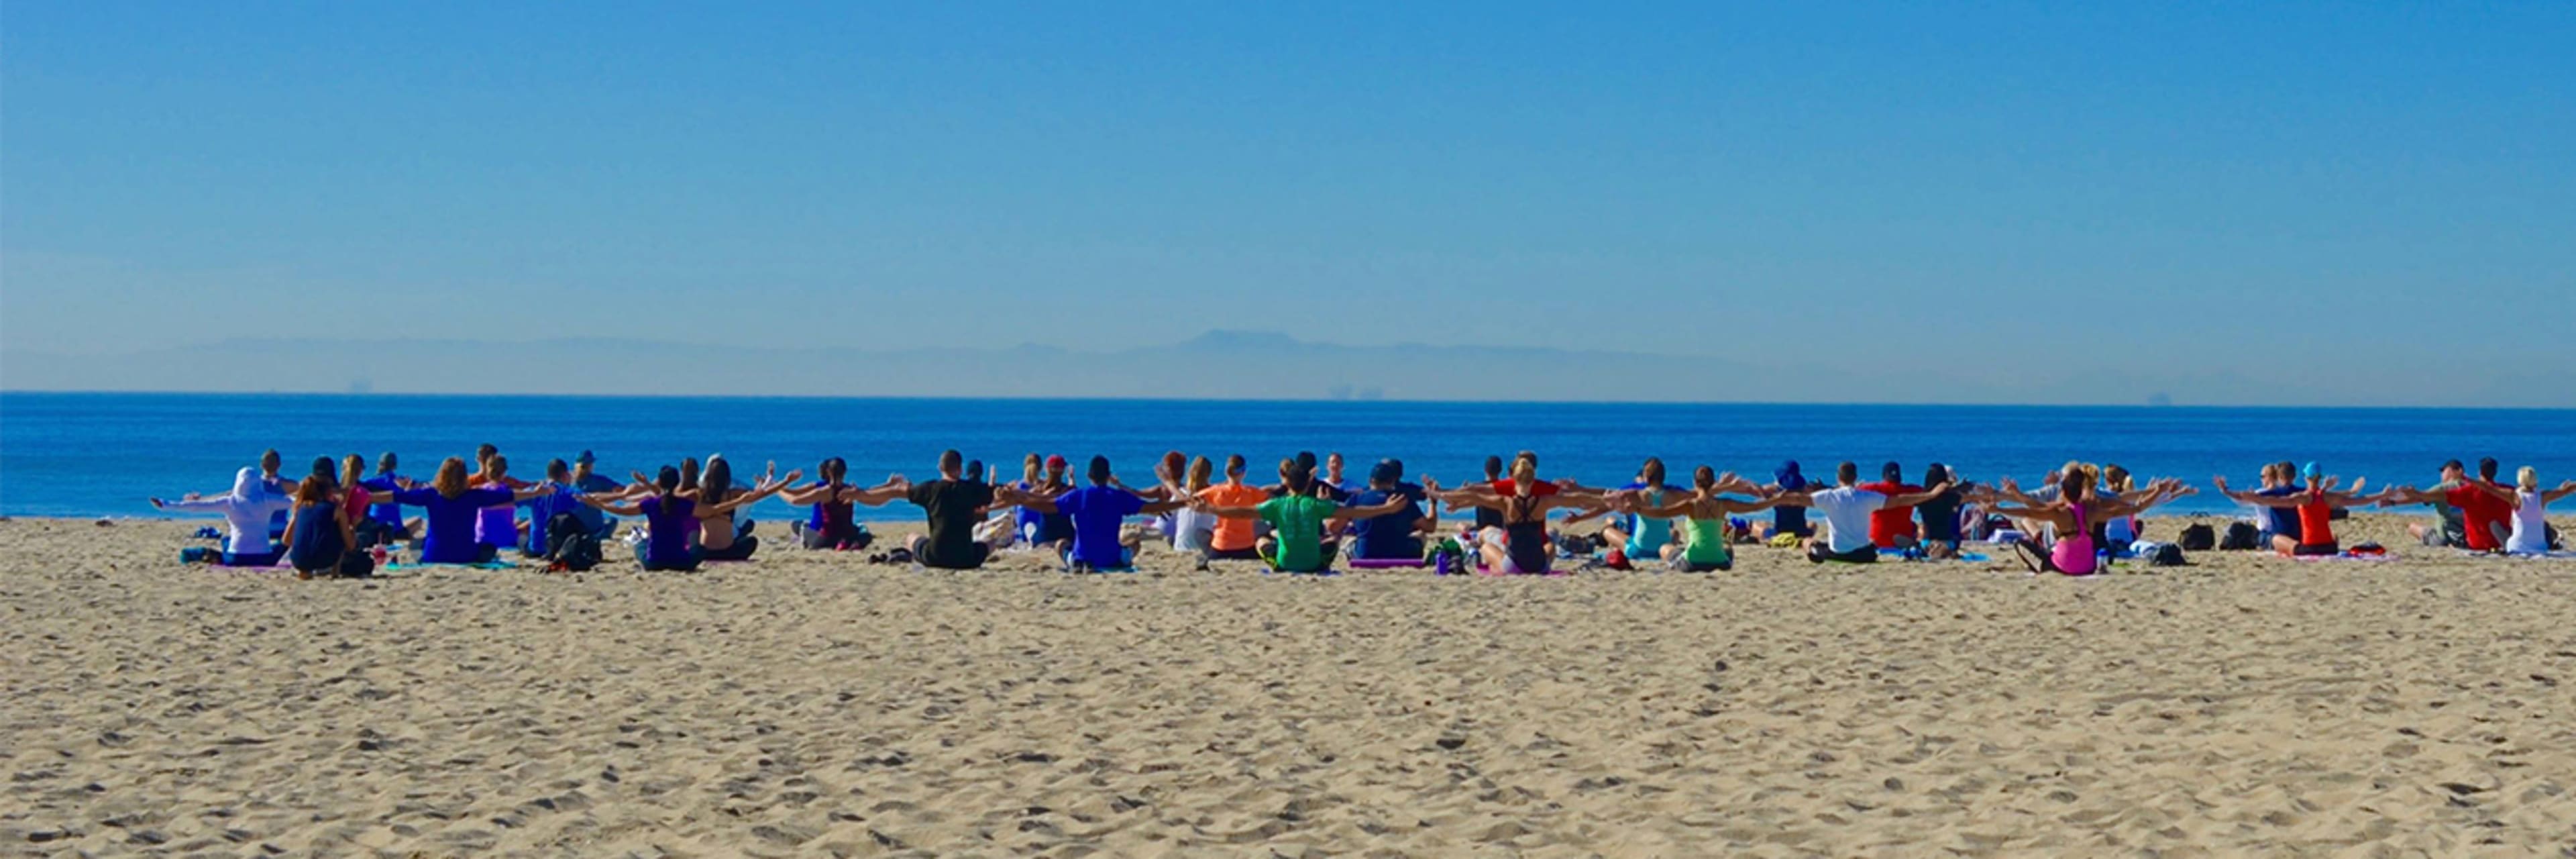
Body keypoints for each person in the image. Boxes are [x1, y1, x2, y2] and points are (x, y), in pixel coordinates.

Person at [1194, 460, 1413, 573]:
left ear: (1287, 484)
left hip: (1284, 564)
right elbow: (1352, 512)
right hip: (1313, 564)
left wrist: (1211, 510)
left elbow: (1242, 512)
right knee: (1333, 541)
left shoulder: (1277, 504)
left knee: (1262, 540)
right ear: (1308, 484)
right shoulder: (1316, 504)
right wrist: (1386, 509)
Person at [1002, 456, 1189, 572]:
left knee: (1061, 544)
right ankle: (1119, 562)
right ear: (1108, 476)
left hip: (1082, 557)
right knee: (1134, 544)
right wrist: (1184, 503)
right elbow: (1150, 507)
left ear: (1090, 476)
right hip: (1112, 559)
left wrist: (1019, 500)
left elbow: (1048, 505)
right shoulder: (1118, 497)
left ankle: (1075, 564)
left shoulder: (1078, 495)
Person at [1988, 472, 2192, 575]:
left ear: (2064, 492)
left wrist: (2000, 509)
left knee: (2021, 545)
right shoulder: (2093, 512)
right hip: (2088, 566)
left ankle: (2044, 568)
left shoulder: (2059, 513)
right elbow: (2135, 508)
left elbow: (2028, 511)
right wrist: (2157, 492)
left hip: (2063, 567)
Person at [1429, 457, 1605, 574]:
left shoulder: (1506, 502)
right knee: (1550, 546)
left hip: (1514, 566)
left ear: (1513, 478)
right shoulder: (1544, 502)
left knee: (1486, 548)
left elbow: (1475, 496)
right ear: (1532, 477)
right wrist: (1606, 501)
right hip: (1539, 567)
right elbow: (1575, 499)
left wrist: (1443, 496)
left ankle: (1492, 565)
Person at [1609, 467, 1792, 572]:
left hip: (1692, 563)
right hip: (1720, 563)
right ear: (1713, 484)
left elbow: (1662, 513)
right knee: (1727, 547)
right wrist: (1778, 499)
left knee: (1665, 548)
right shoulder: (1724, 504)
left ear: (1696, 483)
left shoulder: (1690, 505)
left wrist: (1638, 509)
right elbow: (1755, 507)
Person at [1772, 462, 1953, 564]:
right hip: (1864, 555)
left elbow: (1798, 499)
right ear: (1856, 477)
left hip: (1839, 554)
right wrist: (1931, 494)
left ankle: (1813, 553)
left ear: (1838, 478)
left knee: (1807, 541)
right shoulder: (1867, 496)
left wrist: (1777, 499)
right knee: (1871, 543)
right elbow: (1899, 500)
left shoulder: (1828, 497)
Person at [384, 458, 553, 564]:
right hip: (466, 555)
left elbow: (397, 496)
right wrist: (535, 493)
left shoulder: (431, 495)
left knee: (416, 544)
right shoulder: (473, 496)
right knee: (488, 548)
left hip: (434, 555)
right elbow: (508, 495)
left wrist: (369, 497)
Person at [2214, 464, 2388, 556]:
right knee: (2331, 535)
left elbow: (2271, 500)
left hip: (2309, 549)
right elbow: (2358, 501)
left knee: (2277, 538)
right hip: (2330, 548)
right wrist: (2381, 494)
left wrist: (2245, 495)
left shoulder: (2302, 498)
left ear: (2306, 477)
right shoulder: (2327, 497)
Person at [155, 467, 297, 566]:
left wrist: (166, 504)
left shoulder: (229, 502)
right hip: (265, 558)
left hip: (235, 558)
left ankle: (201, 555)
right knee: (283, 544)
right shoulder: (268, 500)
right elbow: (297, 503)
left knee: (226, 541)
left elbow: (197, 507)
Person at [893, 450, 1008, 570]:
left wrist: (877, 494)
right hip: (966, 559)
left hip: (934, 557)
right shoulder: (971, 490)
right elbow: (996, 494)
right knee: (991, 543)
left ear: (940, 467)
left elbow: (903, 492)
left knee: (911, 537)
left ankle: (913, 556)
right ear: (960, 469)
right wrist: (992, 483)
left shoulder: (931, 489)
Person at [782, 458, 905, 550]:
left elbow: (794, 500)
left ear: (828, 472)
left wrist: (776, 488)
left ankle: (843, 543)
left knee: (803, 528)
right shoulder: (851, 491)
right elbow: (871, 492)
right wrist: (889, 486)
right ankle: (851, 544)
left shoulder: (824, 491)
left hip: (826, 538)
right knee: (864, 533)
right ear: (845, 472)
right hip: (847, 535)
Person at [691, 456, 798, 561]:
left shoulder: (699, 495)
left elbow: (678, 494)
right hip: (727, 551)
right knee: (751, 541)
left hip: (705, 552)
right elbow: (761, 495)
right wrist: (786, 482)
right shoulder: (732, 494)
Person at [2458, 467, 2573, 555]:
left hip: (2517, 548)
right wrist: (2562, 489)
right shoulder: (2542, 496)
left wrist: (2467, 479)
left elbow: (2489, 488)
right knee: (2544, 525)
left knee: (2495, 525)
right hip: (2540, 548)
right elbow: (2567, 490)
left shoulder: (2514, 496)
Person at [282, 470, 370, 579]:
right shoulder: (336, 510)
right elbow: (350, 545)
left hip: (298, 561)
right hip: (326, 561)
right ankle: (335, 573)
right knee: (352, 536)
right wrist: (354, 525)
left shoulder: (300, 508)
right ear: (328, 492)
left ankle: (305, 571)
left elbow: (286, 540)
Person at [1344, 459, 1436, 562]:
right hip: (1402, 553)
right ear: (1393, 481)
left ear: (1371, 481)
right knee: (1421, 535)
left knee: (1352, 542)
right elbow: (1430, 527)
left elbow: (1335, 525)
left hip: (1366, 553)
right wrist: (1433, 503)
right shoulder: (1404, 499)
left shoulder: (1358, 498)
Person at [1195, 454, 1272, 561]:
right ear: (1243, 473)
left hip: (1222, 547)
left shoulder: (1216, 491)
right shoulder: (1250, 492)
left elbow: (1194, 498)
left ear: (1227, 472)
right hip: (1246, 547)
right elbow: (1270, 499)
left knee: (1200, 533)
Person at [1856, 461, 1924, 549]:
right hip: (1903, 536)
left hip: (1878, 539)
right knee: (1915, 526)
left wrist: (1858, 485)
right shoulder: (1910, 490)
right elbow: (1928, 492)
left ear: (1884, 476)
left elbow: (1853, 491)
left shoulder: (1873, 489)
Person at [358, 452, 420, 542]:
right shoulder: (400, 482)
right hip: (396, 531)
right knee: (418, 520)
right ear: (394, 466)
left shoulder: (370, 482)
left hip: (375, 528)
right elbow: (415, 485)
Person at [1913, 463, 1970, 558]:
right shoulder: (1951, 498)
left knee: (1921, 536)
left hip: (1926, 542)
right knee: (1955, 541)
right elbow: (1973, 497)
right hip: (1948, 541)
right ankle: (1941, 549)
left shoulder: (1922, 499)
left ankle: (1931, 548)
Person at [1754, 460, 1815, 542]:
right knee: (1813, 524)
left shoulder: (1774, 491)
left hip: (1779, 533)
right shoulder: (1805, 490)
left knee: (1756, 525)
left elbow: (1756, 502)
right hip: (1801, 533)